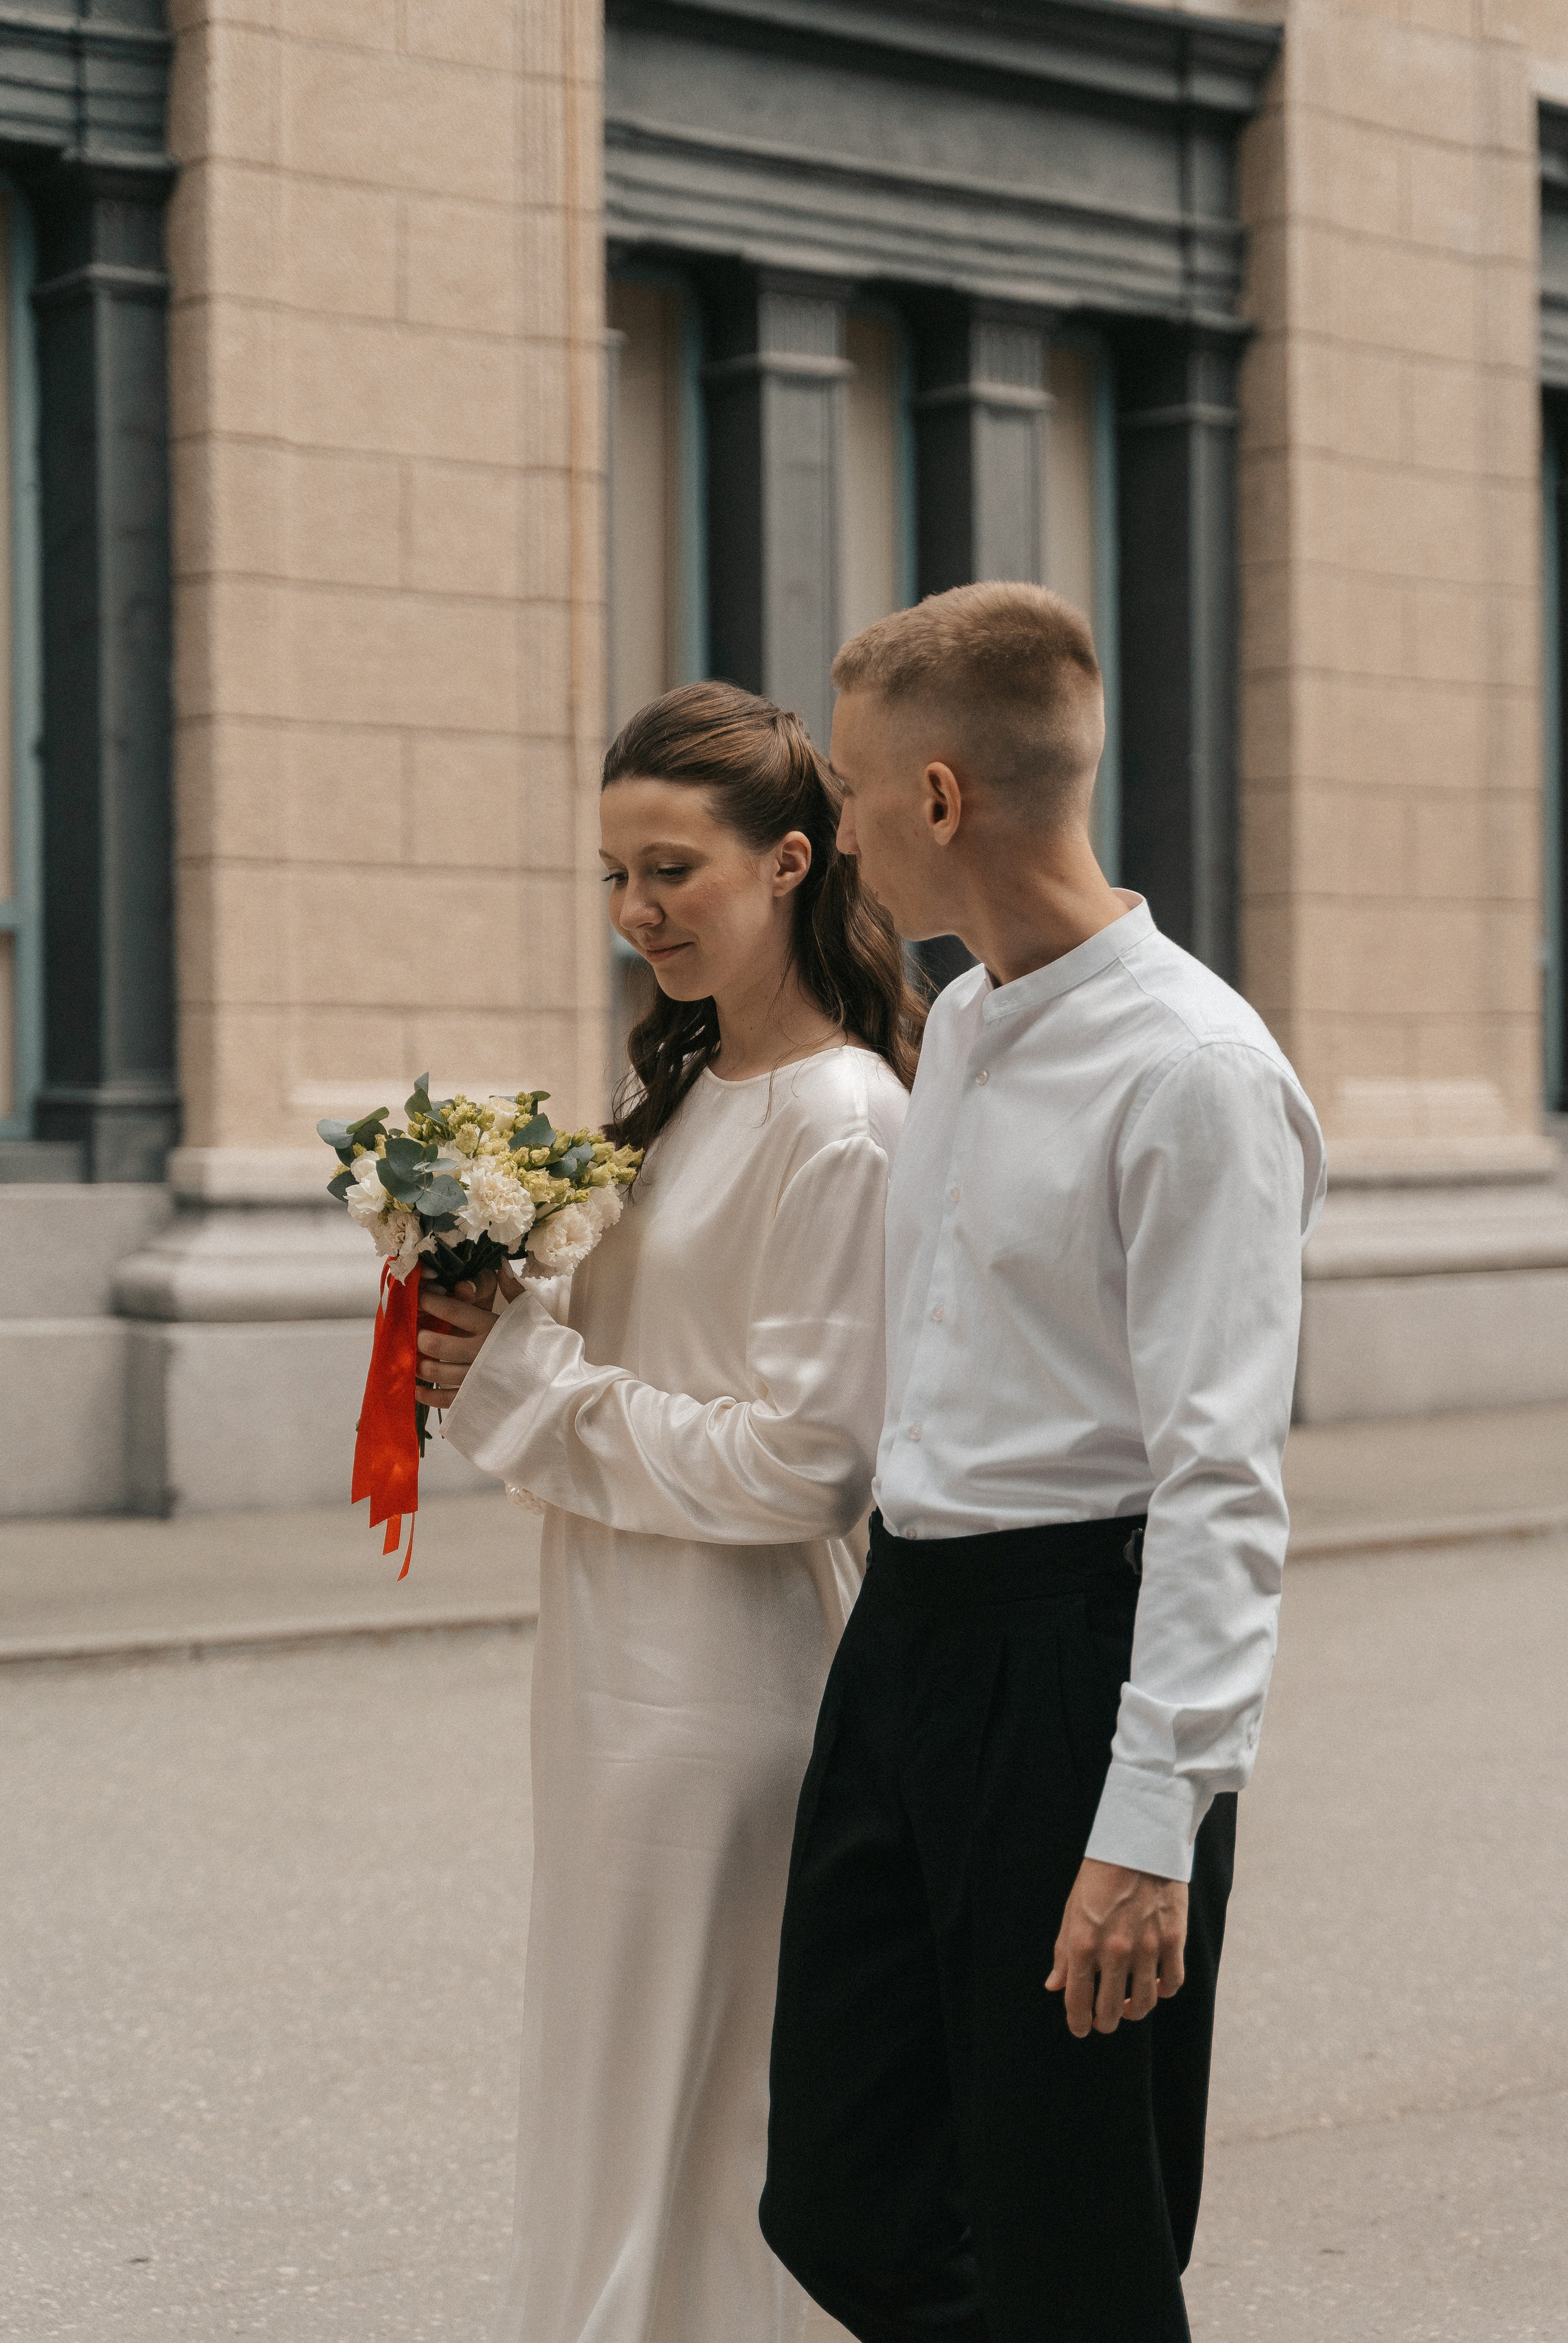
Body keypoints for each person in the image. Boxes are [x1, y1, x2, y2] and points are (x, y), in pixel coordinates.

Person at [758, 584, 1326, 2343]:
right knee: (842, 2197)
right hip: (911, 1637)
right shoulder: (974, 1022)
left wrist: (1151, 1822)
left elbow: (1225, 1481)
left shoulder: (1196, 1073)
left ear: (939, 800)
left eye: (850, 792)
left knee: (1074, 2229)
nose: (833, 834)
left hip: (1076, 1652)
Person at [414, 683, 919, 2343]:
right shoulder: (685, 1088)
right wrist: (483, 1303)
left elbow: (809, 1462)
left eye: (672, 870)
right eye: (614, 876)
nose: (637, 913)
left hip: (730, 1692)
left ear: (790, 863)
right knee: (613, 2085)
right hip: (609, 1654)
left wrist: (523, 1396)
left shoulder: (844, 1124)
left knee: (704, 2115)